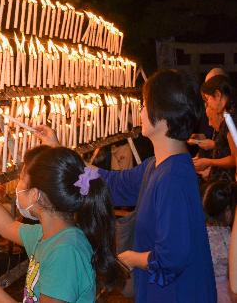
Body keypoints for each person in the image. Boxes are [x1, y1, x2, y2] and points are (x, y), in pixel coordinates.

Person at [36, 69, 216, 302]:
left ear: (162, 114)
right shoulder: (156, 166)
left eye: (144, 105)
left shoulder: (174, 178)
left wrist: (132, 258)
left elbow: (173, 256)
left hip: (177, 293)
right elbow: (112, 185)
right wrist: (59, 152)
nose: (140, 112)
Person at [0, 146, 125, 302]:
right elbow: (6, 226)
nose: (17, 186)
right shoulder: (49, 234)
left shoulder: (66, 251)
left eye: (21, 179)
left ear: (35, 194)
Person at [192, 75, 236, 182]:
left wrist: (209, 162)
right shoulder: (229, 116)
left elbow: (234, 159)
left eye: (207, 99)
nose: (207, 105)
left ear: (217, 95)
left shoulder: (232, 119)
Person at [202, 180, 237, 302]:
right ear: (228, 211)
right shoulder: (230, 238)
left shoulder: (199, 233)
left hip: (202, 291)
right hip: (226, 294)